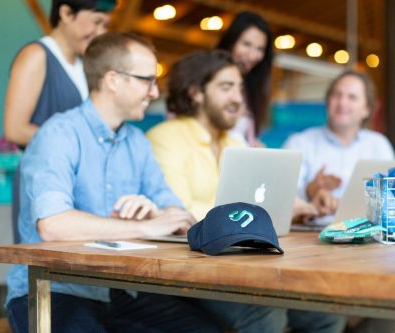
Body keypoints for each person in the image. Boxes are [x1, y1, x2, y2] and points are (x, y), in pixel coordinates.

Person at [5, 32, 222, 333]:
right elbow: (53, 225)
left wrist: (156, 213)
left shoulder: (137, 142)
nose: (154, 92)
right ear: (113, 80)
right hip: (53, 290)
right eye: (147, 79)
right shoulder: (58, 135)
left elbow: (180, 215)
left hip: (118, 290)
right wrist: (143, 227)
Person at [147, 49, 343, 333]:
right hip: (193, 269)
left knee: (325, 315)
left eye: (239, 88)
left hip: (241, 264)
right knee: (266, 317)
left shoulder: (234, 144)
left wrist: (302, 209)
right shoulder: (166, 138)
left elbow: (260, 203)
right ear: (195, 93)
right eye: (226, 87)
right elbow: (179, 215)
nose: (238, 98)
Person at [4, 0, 116, 243]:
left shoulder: (83, 65)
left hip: (77, 179)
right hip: (45, 178)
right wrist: (79, 144)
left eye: (106, 25)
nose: (101, 32)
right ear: (66, 12)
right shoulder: (36, 55)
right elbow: (14, 129)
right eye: (97, 22)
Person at [283, 70, 395, 224]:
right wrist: (310, 190)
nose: (342, 102)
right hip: (309, 237)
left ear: (367, 109)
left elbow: (394, 198)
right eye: (337, 95)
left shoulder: (379, 145)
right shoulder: (299, 143)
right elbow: (279, 200)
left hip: (370, 237)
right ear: (327, 102)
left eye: (352, 97)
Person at [217, 11, 274, 146]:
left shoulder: (251, 88)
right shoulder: (206, 75)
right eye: (246, 44)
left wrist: (254, 145)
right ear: (231, 41)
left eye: (260, 49)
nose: (252, 55)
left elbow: (243, 138)